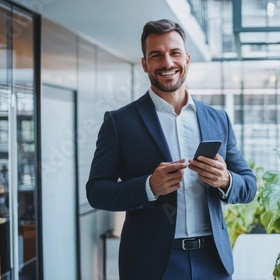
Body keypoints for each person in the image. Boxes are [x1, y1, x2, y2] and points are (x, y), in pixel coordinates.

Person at [86, 19, 257, 280]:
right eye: (156, 55)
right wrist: (149, 187)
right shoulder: (119, 122)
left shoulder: (217, 119)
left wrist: (226, 180)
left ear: (187, 59)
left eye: (175, 53)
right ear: (145, 63)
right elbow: (97, 191)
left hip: (214, 262)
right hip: (151, 266)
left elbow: (249, 185)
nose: (167, 63)